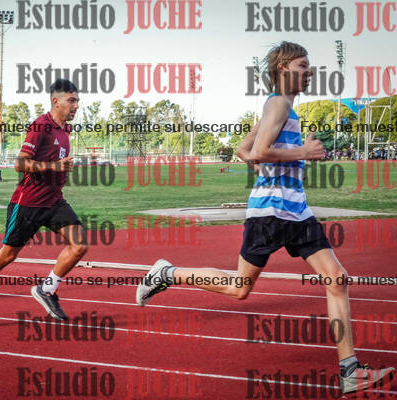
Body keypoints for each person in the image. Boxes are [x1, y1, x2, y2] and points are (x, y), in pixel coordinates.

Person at [135, 42, 395, 395]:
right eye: (303, 65)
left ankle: (349, 370)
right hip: (270, 212)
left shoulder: (281, 107)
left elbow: (244, 150)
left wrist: (264, 164)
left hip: (297, 210)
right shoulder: (278, 103)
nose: (309, 71)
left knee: (337, 279)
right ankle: (166, 273)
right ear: (283, 68)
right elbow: (258, 151)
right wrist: (303, 152)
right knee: (239, 289)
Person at [0, 78, 88, 327]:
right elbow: (20, 163)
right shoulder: (41, 126)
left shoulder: (66, 129)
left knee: (79, 244)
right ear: (56, 101)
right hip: (28, 202)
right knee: (8, 254)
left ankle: (46, 289)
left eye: (77, 101)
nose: (76, 106)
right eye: (71, 101)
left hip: (54, 201)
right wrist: (54, 167)